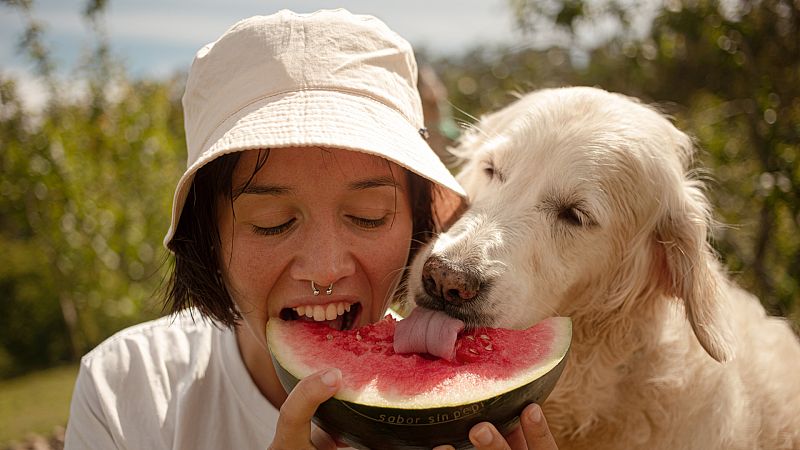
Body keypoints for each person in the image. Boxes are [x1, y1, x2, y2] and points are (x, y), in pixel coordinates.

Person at [63, 9, 559, 450]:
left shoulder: (480, 417)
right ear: (206, 237)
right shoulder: (124, 389)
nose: (325, 270)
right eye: (272, 224)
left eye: (368, 216)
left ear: (419, 220)